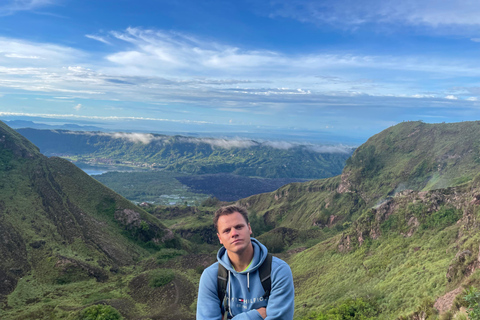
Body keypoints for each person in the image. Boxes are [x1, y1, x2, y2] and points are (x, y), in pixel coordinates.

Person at [197, 205, 294, 320]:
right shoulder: (211, 276)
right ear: (220, 238)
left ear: (249, 228)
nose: (234, 233)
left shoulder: (278, 270)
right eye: (227, 230)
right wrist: (257, 315)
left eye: (239, 227)